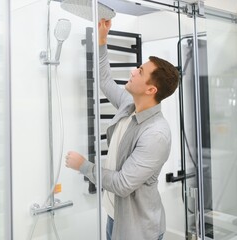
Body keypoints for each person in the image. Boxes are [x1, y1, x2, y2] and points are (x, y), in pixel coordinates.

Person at [65, 19, 179, 240]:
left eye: (140, 71)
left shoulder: (156, 134)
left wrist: (84, 166)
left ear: (151, 89)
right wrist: (102, 39)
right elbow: (105, 80)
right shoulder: (129, 105)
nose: (133, 71)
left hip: (137, 230)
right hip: (115, 217)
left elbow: (122, 184)